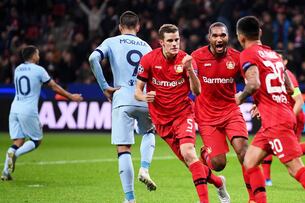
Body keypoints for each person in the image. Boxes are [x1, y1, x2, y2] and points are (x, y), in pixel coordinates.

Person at [235, 16, 305, 203]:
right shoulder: (273, 55)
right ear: (260, 33)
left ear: (240, 37)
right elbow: (288, 87)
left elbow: (253, 84)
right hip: (279, 114)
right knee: (250, 161)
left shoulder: (247, 54)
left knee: (295, 168)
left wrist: (240, 97)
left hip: (275, 120)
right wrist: (263, 100)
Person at [135, 24, 229, 203]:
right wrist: (145, 97)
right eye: (170, 41)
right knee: (192, 163)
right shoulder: (148, 60)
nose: (174, 44)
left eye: (177, 40)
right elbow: (137, 91)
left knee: (188, 153)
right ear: (161, 42)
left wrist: (190, 70)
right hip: (162, 121)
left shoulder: (187, 60)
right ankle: (218, 182)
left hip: (183, 114)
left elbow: (197, 91)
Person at [88, 11, 157, 203]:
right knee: (149, 131)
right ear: (138, 27)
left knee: (124, 148)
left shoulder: (111, 41)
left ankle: (130, 198)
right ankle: (145, 167)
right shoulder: (147, 46)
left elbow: (93, 59)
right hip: (143, 96)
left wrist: (105, 88)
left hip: (122, 96)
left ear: (120, 27)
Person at [191, 22, 254, 202]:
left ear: (228, 37)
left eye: (223, 35)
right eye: (215, 36)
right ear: (209, 38)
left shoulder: (237, 57)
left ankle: (253, 198)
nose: (219, 39)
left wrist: (256, 101)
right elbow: (188, 83)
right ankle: (205, 153)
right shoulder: (197, 56)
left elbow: (252, 79)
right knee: (218, 165)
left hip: (230, 112)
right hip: (207, 116)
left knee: (244, 152)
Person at [1, 45, 83, 181]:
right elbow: (54, 87)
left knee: (18, 141)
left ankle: (5, 172)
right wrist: (71, 97)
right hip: (28, 110)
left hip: (14, 108)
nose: (39, 57)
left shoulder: (18, 69)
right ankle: (15, 155)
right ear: (33, 56)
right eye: (37, 54)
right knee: (36, 140)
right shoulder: (39, 70)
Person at [259, 51, 305, 187]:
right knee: (267, 144)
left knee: (292, 153)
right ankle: (267, 179)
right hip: (279, 116)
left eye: (279, 59)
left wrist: (289, 118)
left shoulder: (288, 76)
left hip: (293, 117)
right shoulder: (271, 75)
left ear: (285, 62)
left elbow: (299, 101)